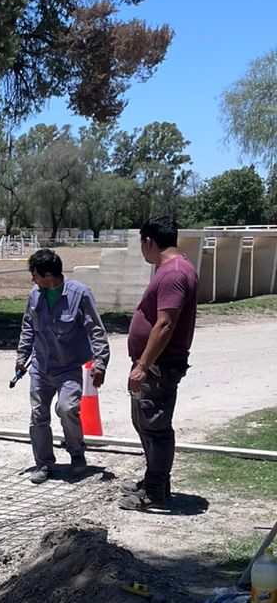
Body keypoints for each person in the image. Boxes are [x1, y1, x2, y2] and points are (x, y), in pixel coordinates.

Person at [120, 215, 198, 512]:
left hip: (158, 365)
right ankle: (155, 481)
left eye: (142, 244)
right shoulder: (172, 269)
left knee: (155, 425)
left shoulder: (173, 273)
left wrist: (143, 365)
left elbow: (165, 324)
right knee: (144, 421)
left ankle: (154, 492)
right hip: (154, 362)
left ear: (148, 241)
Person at [14, 248, 110, 483]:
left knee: (67, 408)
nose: (32, 279)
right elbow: (28, 326)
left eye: (35, 275)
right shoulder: (35, 294)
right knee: (38, 415)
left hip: (68, 367)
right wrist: (22, 356)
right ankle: (44, 463)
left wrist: (100, 362)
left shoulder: (80, 294)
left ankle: (77, 453)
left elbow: (96, 330)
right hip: (40, 367)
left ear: (48, 276)